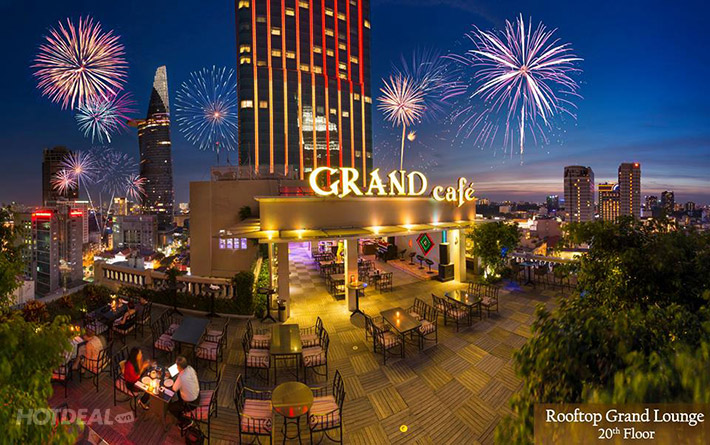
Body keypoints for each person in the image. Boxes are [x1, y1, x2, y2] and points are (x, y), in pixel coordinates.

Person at [168, 356, 200, 429]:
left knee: (171, 408)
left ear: (179, 367)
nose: (176, 367)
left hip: (190, 404)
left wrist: (174, 377)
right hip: (197, 395)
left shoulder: (181, 377)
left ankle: (186, 421)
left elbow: (174, 389)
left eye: (177, 366)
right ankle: (181, 407)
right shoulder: (190, 368)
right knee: (180, 389)